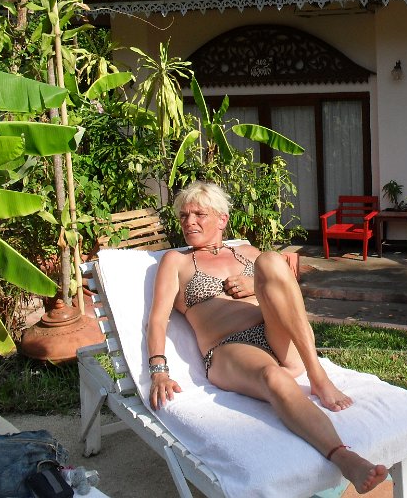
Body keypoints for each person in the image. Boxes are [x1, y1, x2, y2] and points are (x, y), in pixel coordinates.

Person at [147, 181, 388, 494]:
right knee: (273, 377)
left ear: (221, 219)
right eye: (184, 216)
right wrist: (159, 371)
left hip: (276, 335)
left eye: (199, 214)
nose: (189, 221)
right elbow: (157, 319)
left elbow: (285, 290)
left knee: (271, 260)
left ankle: (317, 375)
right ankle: (345, 458)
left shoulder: (247, 253)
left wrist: (255, 285)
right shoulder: (176, 262)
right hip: (230, 348)